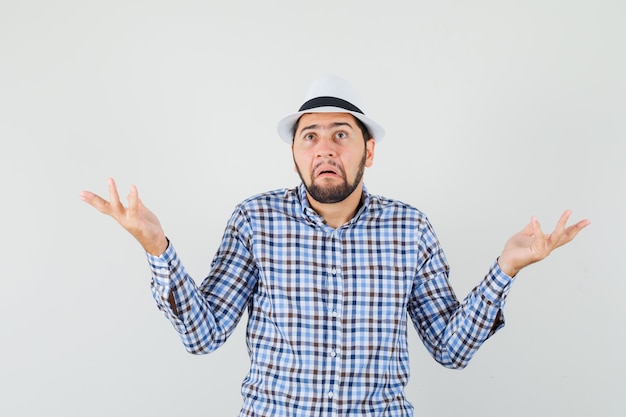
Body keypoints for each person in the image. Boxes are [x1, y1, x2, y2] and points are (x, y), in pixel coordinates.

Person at [80, 74, 590, 417]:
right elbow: (203, 336)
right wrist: (157, 248)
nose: (324, 146)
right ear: (296, 155)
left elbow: (450, 350)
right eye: (310, 136)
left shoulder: (410, 229)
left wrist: (506, 268)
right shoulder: (255, 221)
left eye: (341, 135)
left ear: (368, 151)